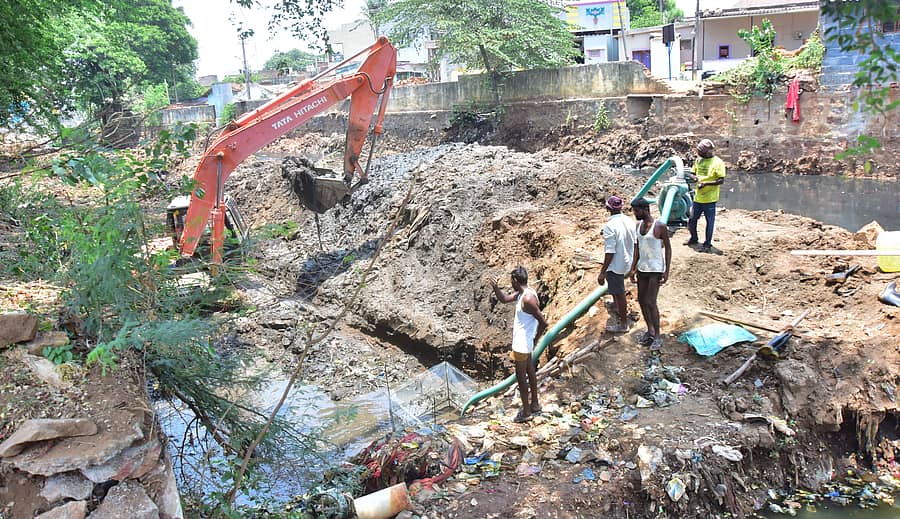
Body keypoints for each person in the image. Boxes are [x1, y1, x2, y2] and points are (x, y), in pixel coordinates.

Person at [490, 266, 549, 422]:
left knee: (521, 378)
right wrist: (495, 288)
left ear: (515, 280)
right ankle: (534, 404)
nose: (511, 283)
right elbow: (504, 299)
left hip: (523, 344)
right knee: (530, 371)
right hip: (525, 343)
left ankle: (526, 412)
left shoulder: (528, 299)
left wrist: (535, 339)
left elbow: (543, 322)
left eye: (511, 281)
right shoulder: (523, 293)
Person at [628, 198, 671, 350]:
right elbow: (637, 248)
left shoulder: (659, 226)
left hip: (655, 269)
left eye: (637, 211)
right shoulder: (638, 226)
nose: (635, 214)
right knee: (641, 299)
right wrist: (633, 268)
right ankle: (650, 330)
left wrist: (666, 270)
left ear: (645, 209)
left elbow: (668, 248)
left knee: (651, 302)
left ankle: (657, 336)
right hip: (642, 268)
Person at [598, 195, 636, 333]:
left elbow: (610, 251)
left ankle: (623, 324)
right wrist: (634, 264)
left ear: (607, 208)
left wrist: (603, 272)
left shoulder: (609, 226)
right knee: (615, 287)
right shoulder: (629, 220)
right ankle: (615, 305)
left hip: (616, 264)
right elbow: (635, 243)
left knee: (619, 292)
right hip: (628, 261)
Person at [686, 139, 726, 253]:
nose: (699, 154)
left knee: (709, 222)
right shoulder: (699, 161)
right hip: (698, 197)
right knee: (692, 219)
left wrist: (706, 183)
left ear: (708, 152)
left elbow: (721, 180)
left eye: (701, 152)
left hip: (710, 198)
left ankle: (707, 244)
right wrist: (693, 177)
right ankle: (694, 238)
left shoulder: (717, 162)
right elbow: (693, 173)